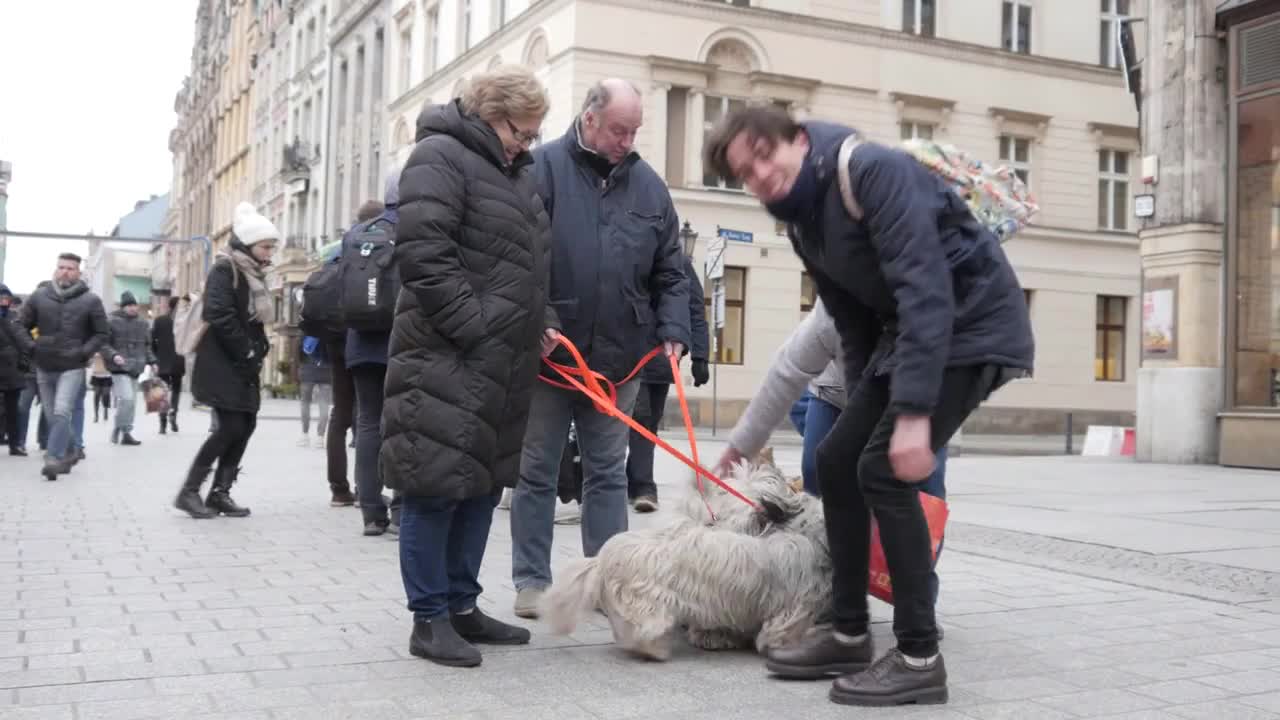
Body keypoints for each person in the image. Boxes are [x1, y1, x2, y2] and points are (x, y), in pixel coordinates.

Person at [703, 106, 1034, 706]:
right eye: (744, 172)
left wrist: (910, 415)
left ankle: (917, 655)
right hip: (901, 338)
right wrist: (862, 411)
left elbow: (924, 286)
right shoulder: (804, 220)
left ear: (797, 141)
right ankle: (849, 632)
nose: (759, 175)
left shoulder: (870, 171)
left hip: (971, 325)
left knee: (882, 470)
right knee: (835, 461)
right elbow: (853, 323)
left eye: (764, 155)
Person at [380, 65, 554, 667]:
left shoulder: (518, 174)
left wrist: (544, 320)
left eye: (532, 136)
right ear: (489, 112)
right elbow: (424, 255)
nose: (526, 144)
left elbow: (529, 263)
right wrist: (476, 328)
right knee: (433, 486)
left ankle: (461, 604)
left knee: (480, 485)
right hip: (447, 355)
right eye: (522, 132)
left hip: (503, 360)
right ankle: (428, 619)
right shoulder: (439, 155)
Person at [509, 78, 690, 619]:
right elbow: (518, 256)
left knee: (609, 473)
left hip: (620, 358)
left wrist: (675, 329)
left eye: (634, 131)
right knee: (536, 469)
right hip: (551, 357)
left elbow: (672, 271)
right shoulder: (540, 170)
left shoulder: (651, 188)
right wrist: (538, 319)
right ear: (589, 118)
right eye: (618, 129)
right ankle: (532, 582)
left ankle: (610, 582)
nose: (627, 141)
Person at [715, 298, 949, 610]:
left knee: (926, 494)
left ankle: (919, 602)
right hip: (835, 397)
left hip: (924, 401)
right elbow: (786, 372)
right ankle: (821, 590)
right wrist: (738, 448)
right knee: (818, 472)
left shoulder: (931, 305)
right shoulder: (832, 312)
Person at [174, 202, 277, 519]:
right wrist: (246, 349)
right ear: (248, 244)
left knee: (245, 425)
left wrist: (258, 349)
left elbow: (253, 320)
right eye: (265, 246)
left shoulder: (253, 274)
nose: (269, 253)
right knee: (228, 427)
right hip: (221, 363)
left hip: (242, 364)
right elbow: (218, 313)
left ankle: (220, 492)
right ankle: (189, 492)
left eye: (271, 247)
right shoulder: (226, 268)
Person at [625, 255, 710, 512]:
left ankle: (634, 478)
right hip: (629, 356)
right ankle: (643, 486)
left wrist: (700, 356)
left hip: (664, 358)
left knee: (649, 423)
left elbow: (694, 308)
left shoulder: (679, 263)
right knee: (640, 419)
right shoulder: (633, 251)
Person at [14, 254, 110, 480]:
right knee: (51, 415)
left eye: (71, 268)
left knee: (61, 411)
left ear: (79, 273)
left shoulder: (91, 301)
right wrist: (31, 347)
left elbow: (102, 333)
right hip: (44, 364)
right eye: (61, 267)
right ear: (55, 270)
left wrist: (83, 352)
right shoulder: (39, 296)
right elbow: (19, 324)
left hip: (72, 365)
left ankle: (53, 457)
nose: (65, 272)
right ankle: (72, 449)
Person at [345, 168, 402, 536]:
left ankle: (369, 510)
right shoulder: (417, 229)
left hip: (360, 341)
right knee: (402, 424)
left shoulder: (356, 234)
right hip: (401, 342)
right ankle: (400, 508)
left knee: (367, 423)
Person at [321, 200, 383, 508]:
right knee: (370, 414)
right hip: (366, 337)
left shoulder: (338, 249)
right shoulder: (380, 242)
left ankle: (338, 488)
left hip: (336, 340)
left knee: (341, 413)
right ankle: (367, 489)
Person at [102, 291, 155, 446]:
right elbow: (103, 344)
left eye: (134, 305)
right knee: (127, 399)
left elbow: (147, 346)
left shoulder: (143, 323)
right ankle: (119, 428)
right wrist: (113, 355)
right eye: (129, 305)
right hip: (119, 367)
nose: (132, 308)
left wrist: (153, 361)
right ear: (123, 306)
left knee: (131, 403)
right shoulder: (111, 321)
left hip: (136, 367)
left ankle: (125, 433)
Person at [151, 295, 187, 433]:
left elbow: (152, 341)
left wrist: (155, 357)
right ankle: (171, 415)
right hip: (174, 360)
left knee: (163, 392)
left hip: (164, 360)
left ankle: (164, 421)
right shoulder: (182, 322)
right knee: (172, 390)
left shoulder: (160, 321)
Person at [0, 284, 27, 455]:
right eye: (1, 297)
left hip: (12, 370)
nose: (4, 301)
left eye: (6, 298)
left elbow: (24, 340)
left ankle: (15, 444)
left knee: (13, 409)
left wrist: (24, 361)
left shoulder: (15, 318)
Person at [296, 335, 330, 449]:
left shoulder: (306, 329)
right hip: (326, 371)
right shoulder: (329, 327)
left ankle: (304, 435)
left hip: (307, 370)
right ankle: (320, 438)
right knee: (324, 405)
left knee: (305, 403)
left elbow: (299, 351)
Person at [89, 354, 112, 423]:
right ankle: (96, 415)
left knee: (106, 394)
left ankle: (105, 409)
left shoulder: (107, 348)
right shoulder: (94, 348)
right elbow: (89, 360)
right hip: (96, 375)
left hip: (107, 375)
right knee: (97, 394)